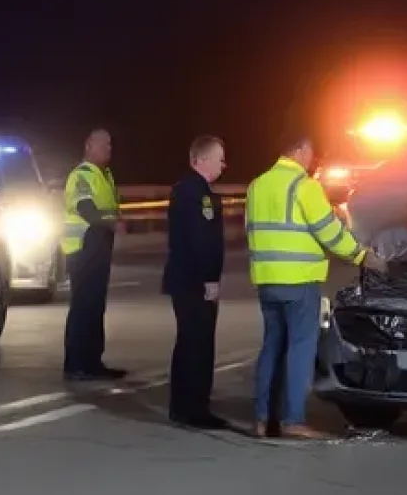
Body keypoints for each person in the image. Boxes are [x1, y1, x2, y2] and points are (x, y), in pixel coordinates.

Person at [245, 128, 382, 440]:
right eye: (311, 153)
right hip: (300, 281)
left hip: (267, 280)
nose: (312, 159)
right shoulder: (303, 186)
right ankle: (293, 420)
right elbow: (328, 231)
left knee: (271, 348)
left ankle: (262, 420)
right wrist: (361, 256)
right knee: (300, 350)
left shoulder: (257, 185)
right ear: (301, 151)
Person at [163, 134, 229, 429]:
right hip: (195, 282)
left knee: (187, 342)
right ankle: (195, 409)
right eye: (219, 158)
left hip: (184, 279)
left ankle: (181, 405)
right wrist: (210, 279)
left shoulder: (187, 189)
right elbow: (202, 241)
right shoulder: (197, 193)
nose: (224, 165)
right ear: (201, 160)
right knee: (198, 344)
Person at [62, 128, 127, 381]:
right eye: (104, 145)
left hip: (100, 246)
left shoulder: (105, 176)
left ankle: (92, 361)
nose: (109, 149)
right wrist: (112, 223)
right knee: (83, 306)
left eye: (110, 145)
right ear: (89, 145)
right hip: (83, 247)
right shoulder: (81, 176)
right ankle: (76, 363)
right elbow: (86, 209)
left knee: (95, 306)